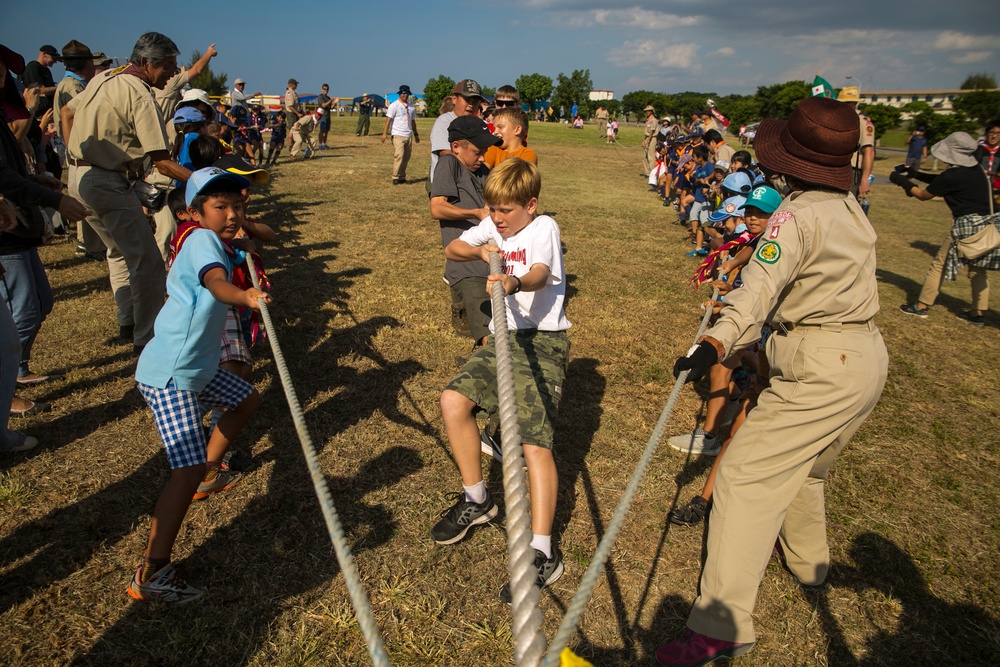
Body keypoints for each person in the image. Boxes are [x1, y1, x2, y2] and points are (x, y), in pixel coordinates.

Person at [657, 96, 888, 666]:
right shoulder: (851, 206)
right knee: (807, 468)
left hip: (820, 368)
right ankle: (810, 564)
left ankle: (720, 627)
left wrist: (715, 339)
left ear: (789, 163)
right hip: (865, 360)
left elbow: (758, 289)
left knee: (744, 478)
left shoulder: (793, 214)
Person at [432, 157, 572, 603]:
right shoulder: (493, 228)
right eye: (492, 209)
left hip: (542, 342)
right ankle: (477, 499)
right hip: (502, 338)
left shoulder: (542, 227)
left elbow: (540, 273)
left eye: (506, 211)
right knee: (453, 401)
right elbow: (453, 250)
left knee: (534, 444)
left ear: (530, 205)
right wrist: (479, 250)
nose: (497, 218)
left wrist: (513, 282)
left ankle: (543, 550)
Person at [128, 167, 270, 603]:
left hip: (198, 369)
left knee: (245, 400)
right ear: (193, 211)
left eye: (236, 206)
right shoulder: (202, 241)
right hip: (172, 376)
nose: (231, 214)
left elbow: (241, 247)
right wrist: (245, 296)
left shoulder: (211, 238)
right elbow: (214, 281)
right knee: (182, 471)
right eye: (220, 207)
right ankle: (152, 570)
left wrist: (241, 242)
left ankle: (208, 469)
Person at [63, 32, 192, 353]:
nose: (173, 73)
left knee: (119, 252)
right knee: (148, 262)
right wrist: (205, 180)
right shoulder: (140, 93)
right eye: (168, 65)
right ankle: (147, 340)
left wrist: (75, 154)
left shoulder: (106, 76)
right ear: (146, 62)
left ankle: (128, 321)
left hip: (79, 178)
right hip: (105, 182)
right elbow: (162, 162)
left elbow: (66, 113)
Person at [1, 44, 90, 386]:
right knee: (21, 313)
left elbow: (9, 170)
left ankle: (17, 371)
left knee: (41, 302)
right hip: (7, 230)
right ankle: (7, 390)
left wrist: (34, 179)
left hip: (18, 224)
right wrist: (55, 202)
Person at [893, 132, 997, 326]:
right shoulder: (976, 170)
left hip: (966, 228)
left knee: (939, 265)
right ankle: (977, 313)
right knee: (977, 270)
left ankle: (921, 306)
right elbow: (942, 181)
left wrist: (902, 181)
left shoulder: (953, 175)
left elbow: (924, 195)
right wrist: (915, 174)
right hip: (985, 227)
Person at [430, 116, 501, 349]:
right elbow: (436, 207)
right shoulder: (449, 164)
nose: (482, 158)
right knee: (488, 333)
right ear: (456, 147)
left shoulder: (481, 171)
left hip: (490, 260)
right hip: (468, 265)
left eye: (484, 152)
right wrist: (475, 212)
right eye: (477, 152)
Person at [53, 39, 107, 260]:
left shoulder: (68, 83)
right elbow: (75, 117)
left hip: (75, 148)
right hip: (79, 149)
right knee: (85, 198)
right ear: (86, 64)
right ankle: (90, 245)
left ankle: (89, 243)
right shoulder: (74, 87)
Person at [430, 79, 483, 185]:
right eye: (467, 100)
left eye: (475, 101)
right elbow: (446, 154)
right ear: (454, 99)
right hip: (447, 183)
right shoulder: (445, 121)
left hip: (469, 182)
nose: (471, 105)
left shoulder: (476, 124)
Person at [837, 86, 875, 200]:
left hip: (852, 171)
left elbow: (869, 151)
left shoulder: (863, 122)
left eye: (848, 103)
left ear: (854, 103)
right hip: (837, 168)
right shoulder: (840, 120)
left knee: (848, 205)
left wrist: (864, 180)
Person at [381, 84, 418, 185]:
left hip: (408, 134)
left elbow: (413, 121)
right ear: (400, 94)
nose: (404, 95)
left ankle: (402, 176)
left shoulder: (411, 108)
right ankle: (395, 176)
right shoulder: (394, 105)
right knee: (399, 155)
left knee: (406, 157)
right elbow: (388, 120)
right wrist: (385, 133)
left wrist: (416, 134)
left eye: (406, 94)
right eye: (403, 93)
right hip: (398, 134)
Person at [19, 45, 59, 115]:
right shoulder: (33, 67)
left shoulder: (47, 70)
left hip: (47, 111)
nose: (55, 61)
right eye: (53, 57)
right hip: (36, 112)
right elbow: (41, 90)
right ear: (44, 54)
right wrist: (60, 88)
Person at [315, 84, 338, 149]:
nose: (326, 90)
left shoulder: (328, 98)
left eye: (327, 89)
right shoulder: (320, 97)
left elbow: (331, 107)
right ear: (322, 89)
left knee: (326, 131)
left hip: (328, 116)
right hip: (322, 116)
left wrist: (335, 102)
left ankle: (324, 143)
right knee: (322, 130)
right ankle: (320, 144)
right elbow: (323, 105)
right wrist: (330, 100)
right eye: (324, 89)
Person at [641, 105, 659, 172]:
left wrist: (648, 140)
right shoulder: (648, 120)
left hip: (652, 138)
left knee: (651, 156)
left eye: (649, 111)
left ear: (652, 111)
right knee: (644, 156)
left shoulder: (653, 120)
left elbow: (652, 131)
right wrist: (644, 140)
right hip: (647, 137)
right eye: (646, 111)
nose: (647, 112)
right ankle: (647, 171)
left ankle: (652, 172)